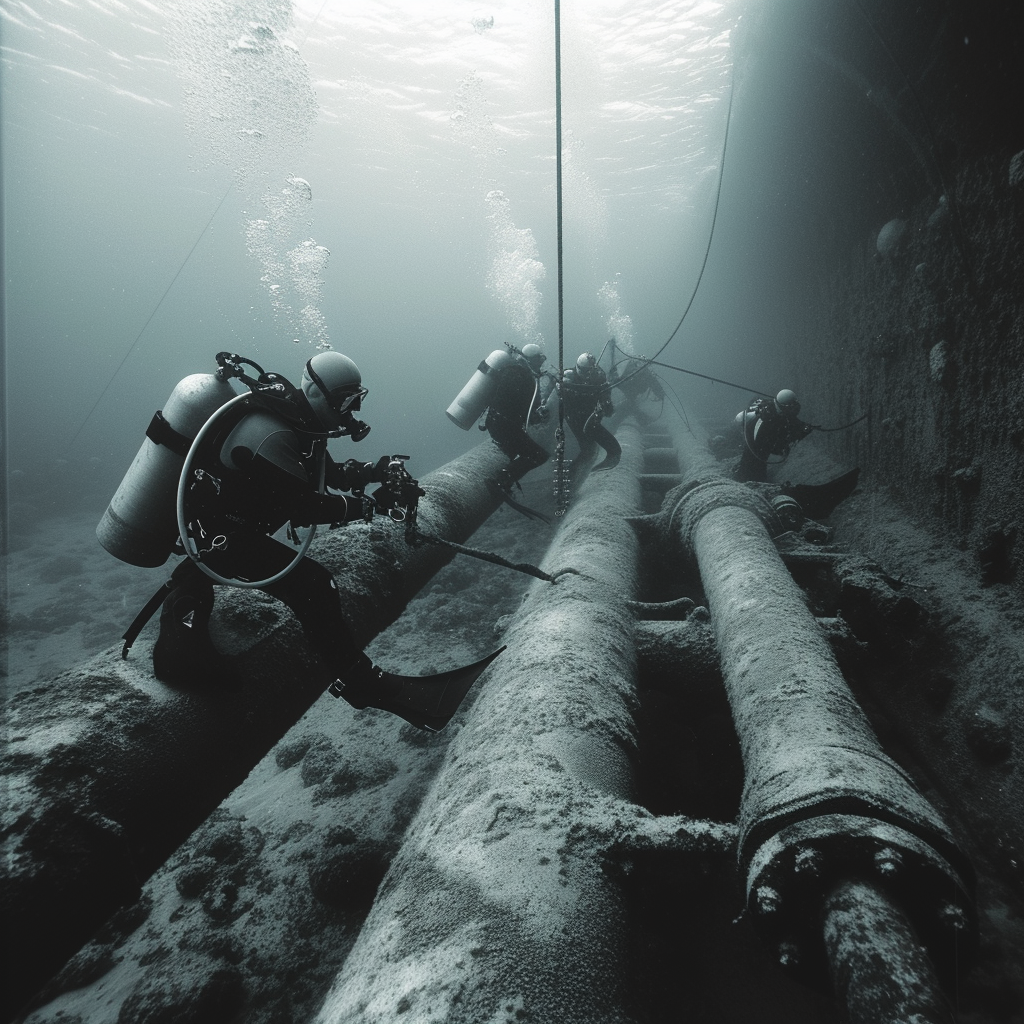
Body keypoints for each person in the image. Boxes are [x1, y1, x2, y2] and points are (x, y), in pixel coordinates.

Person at [134, 350, 492, 731]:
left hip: (239, 527)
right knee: (316, 586)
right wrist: (372, 506)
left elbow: (328, 474)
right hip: (224, 536)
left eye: (357, 399)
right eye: (344, 400)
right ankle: (360, 682)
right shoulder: (270, 431)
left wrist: (375, 469)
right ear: (317, 394)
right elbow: (307, 507)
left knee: (274, 577)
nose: (350, 410)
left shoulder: (302, 424)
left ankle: (190, 590)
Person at [483, 342, 551, 490]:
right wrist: (538, 415)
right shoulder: (523, 376)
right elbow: (527, 412)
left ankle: (505, 480)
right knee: (539, 455)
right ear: (532, 360)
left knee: (518, 451)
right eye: (540, 360)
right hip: (505, 427)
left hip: (496, 423)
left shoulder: (512, 370)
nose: (541, 364)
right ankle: (500, 481)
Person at [734, 388, 814, 483]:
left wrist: (803, 429)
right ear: (784, 407)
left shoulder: (780, 413)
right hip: (756, 449)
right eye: (790, 407)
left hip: (760, 447)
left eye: (794, 406)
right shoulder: (767, 420)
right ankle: (742, 479)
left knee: (757, 465)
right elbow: (767, 447)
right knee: (752, 467)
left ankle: (746, 476)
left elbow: (791, 421)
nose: (794, 409)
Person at [561, 351, 621, 471]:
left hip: (590, 413)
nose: (587, 375)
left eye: (590, 371)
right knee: (586, 446)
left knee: (592, 436)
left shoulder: (599, 376)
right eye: (584, 371)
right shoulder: (568, 376)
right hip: (572, 414)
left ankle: (613, 453)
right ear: (578, 368)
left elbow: (605, 393)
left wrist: (606, 404)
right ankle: (574, 471)